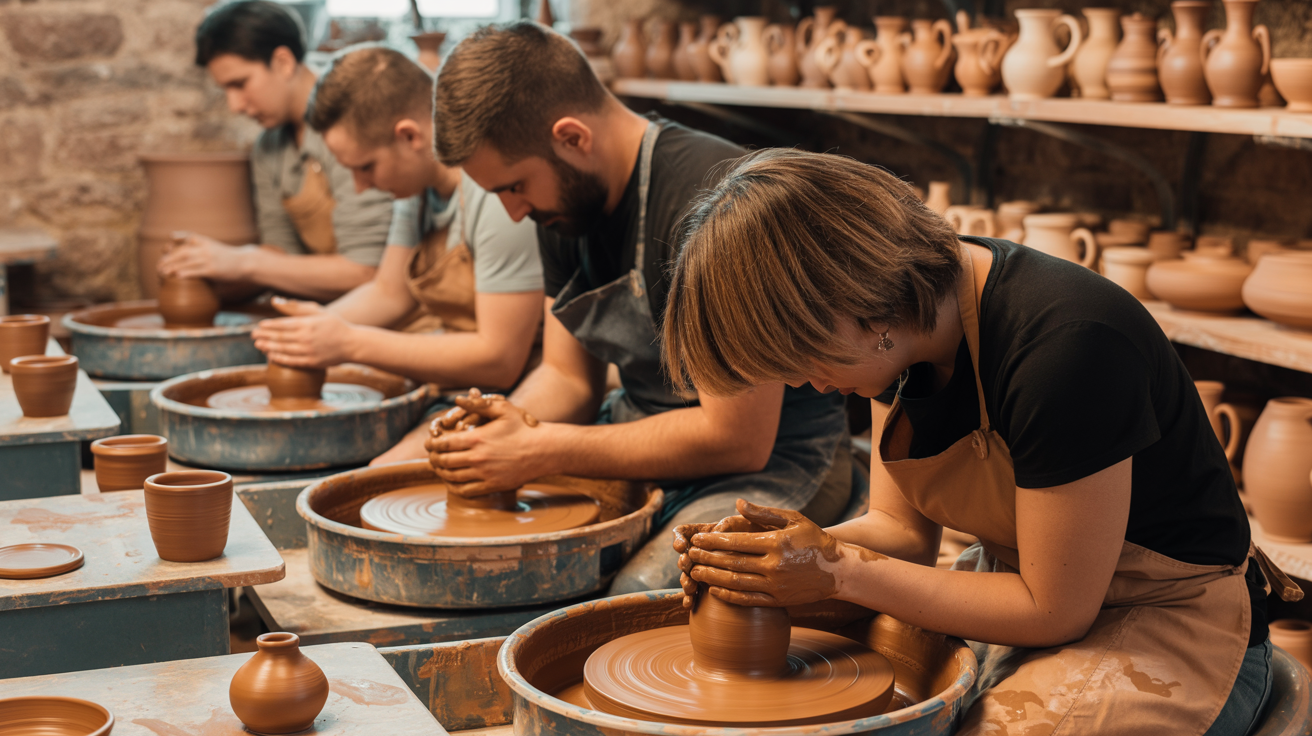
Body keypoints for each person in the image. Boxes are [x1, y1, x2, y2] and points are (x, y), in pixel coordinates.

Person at [664, 149, 1301, 736]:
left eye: (794, 353)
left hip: (1169, 621)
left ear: (855, 301)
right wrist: (763, 556)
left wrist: (834, 571)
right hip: (1019, 584)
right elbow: (899, 533)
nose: (797, 379)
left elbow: (1055, 610)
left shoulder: (1064, 348)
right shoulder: (900, 332)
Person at [423, 21, 853, 593]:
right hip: (643, 429)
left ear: (572, 137)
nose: (513, 212)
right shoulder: (561, 206)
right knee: (507, 559)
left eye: (514, 186)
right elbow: (566, 377)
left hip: (779, 458)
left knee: (638, 600)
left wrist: (541, 448)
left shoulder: (715, 203)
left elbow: (736, 438)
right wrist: (502, 432)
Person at [250, 46, 543, 465]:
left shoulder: (495, 197)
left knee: (379, 475)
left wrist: (348, 341)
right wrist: (307, 330)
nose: (359, 187)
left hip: (522, 391)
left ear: (410, 136)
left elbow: (499, 359)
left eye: (365, 167)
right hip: (461, 381)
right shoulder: (416, 189)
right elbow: (388, 293)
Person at [167, 0, 393, 302]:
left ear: (283, 62)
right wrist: (206, 265)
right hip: (331, 312)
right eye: (226, 91)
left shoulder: (351, 122)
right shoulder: (269, 148)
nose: (234, 106)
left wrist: (244, 262)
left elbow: (367, 270)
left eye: (240, 83)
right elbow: (282, 258)